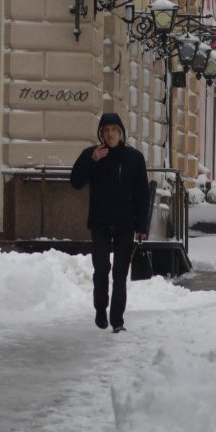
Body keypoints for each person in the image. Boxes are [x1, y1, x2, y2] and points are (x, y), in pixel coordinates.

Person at [69, 112, 152, 333]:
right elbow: (75, 181)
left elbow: (142, 193)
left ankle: (117, 320)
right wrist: (91, 161)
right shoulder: (92, 155)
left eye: (114, 129)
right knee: (101, 269)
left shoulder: (134, 158)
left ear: (121, 132)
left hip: (126, 223)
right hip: (100, 222)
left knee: (120, 272)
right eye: (106, 130)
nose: (110, 134)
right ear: (101, 133)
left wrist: (142, 226)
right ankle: (100, 309)